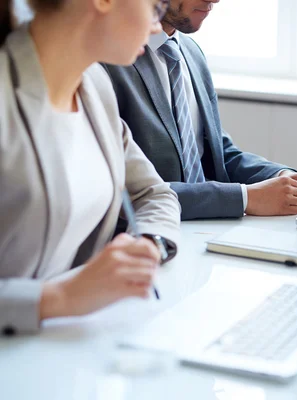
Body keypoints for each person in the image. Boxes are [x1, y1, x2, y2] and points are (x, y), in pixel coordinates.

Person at [0, 0, 181, 335]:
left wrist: (149, 246)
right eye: (156, 7)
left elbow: (154, 192)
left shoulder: (95, 86)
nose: (157, 26)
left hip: (62, 347)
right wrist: (57, 297)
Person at [103, 0, 297, 221]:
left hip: (206, 229)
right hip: (145, 236)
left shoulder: (190, 52)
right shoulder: (106, 61)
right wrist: (245, 198)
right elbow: (123, 191)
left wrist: (282, 177)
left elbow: (218, 153)